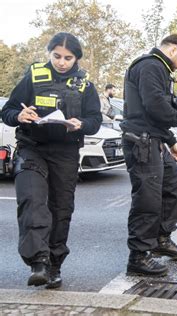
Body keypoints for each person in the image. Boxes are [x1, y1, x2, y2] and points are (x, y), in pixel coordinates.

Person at [1, 32, 102, 288]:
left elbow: (95, 120)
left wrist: (82, 124)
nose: (62, 62)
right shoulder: (33, 76)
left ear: (76, 58)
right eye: (56, 56)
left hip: (65, 153)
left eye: (68, 58)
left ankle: (55, 265)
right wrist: (19, 115)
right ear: (49, 54)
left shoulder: (85, 85)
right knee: (32, 201)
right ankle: (39, 262)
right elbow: (8, 110)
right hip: (32, 148)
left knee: (61, 208)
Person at [120, 34, 177, 276]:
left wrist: (171, 140)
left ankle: (161, 239)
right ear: (173, 50)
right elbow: (154, 105)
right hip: (141, 141)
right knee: (147, 200)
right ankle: (139, 256)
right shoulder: (151, 66)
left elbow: (156, 109)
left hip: (155, 139)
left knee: (172, 190)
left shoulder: (159, 69)